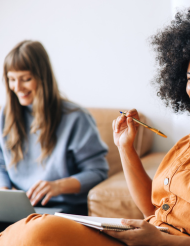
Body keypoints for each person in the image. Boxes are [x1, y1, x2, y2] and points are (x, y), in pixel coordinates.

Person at [0, 4, 190, 246]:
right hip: (149, 239)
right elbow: (151, 210)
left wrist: (163, 242)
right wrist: (125, 148)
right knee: (32, 228)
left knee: (36, 235)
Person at [0, 40, 109, 217]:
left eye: (25, 79)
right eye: (12, 80)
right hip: (21, 209)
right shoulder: (6, 115)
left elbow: (97, 172)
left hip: (63, 209)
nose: (17, 88)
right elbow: (1, 163)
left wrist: (57, 186)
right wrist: (4, 193)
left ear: (42, 77)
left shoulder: (76, 118)